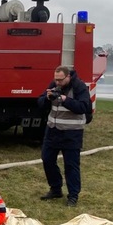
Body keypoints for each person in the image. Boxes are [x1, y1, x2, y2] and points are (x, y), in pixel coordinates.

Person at [36, 65, 92, 207]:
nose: (57, 83)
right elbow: (40, 102)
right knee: (47, 159)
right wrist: (47, 98)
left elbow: (84, 107)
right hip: (53, 130)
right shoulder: (54, 84)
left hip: (72, 132)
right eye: (56, 80)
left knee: (71, 165)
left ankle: (73, 196)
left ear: (68, 77)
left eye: (60, 80)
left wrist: (64, 99)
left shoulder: (79, 87)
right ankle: (55, 189)